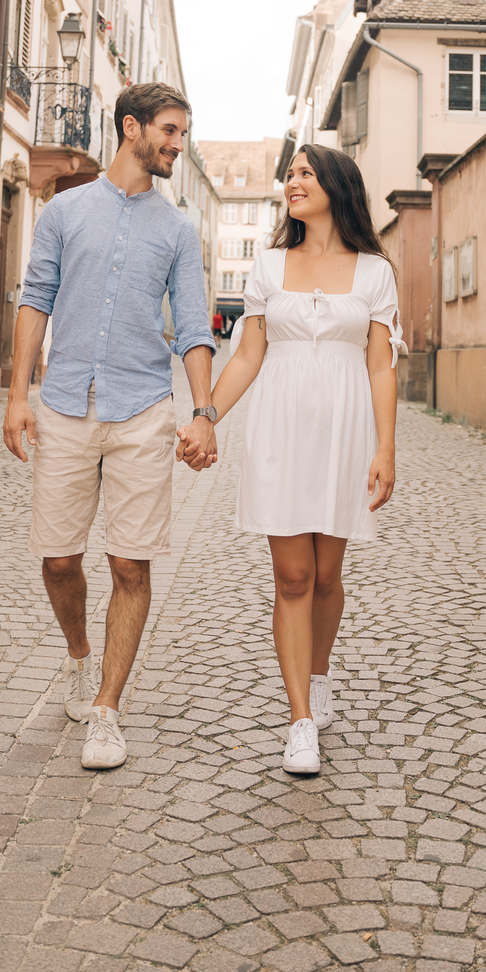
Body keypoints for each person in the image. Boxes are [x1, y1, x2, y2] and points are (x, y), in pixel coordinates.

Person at [3, 82, 217, 772]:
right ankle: (77, 654)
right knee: (60, 558)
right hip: (65, 401)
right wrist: (16, 397)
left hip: (143, 408)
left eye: (182, 134)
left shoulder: (178, 231)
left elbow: (192, 326)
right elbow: (35, 300)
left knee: (131, 562)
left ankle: (107, 707)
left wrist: (204, 412)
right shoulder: (63, 211)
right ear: (131, 128)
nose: (178, 145)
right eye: (170, 131)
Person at [178, 144, 399, 776]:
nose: (292, 182)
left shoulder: (375, 272)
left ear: (336, 184)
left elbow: (380, 366)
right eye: (290, 175)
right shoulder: (269, 268)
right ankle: (300, 718)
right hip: (280, 428)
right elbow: (248, 356)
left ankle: (319, 674)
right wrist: (206, 415)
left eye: (304, 173)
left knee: (329, 575)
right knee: (293, 576)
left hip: (345, 433)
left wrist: (386, 447)